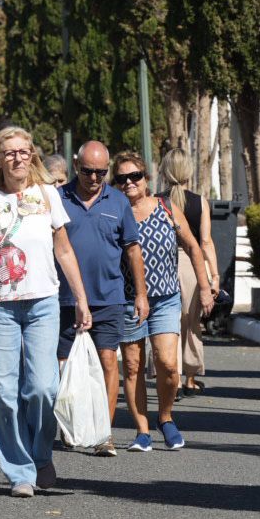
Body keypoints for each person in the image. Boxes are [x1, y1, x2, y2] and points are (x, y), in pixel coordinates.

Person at [0, 128, 92, 497]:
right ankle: (20, 470)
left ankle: (41, 454)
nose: (17, 158)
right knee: (4, 392)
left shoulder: (48, 195)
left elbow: (64, 251)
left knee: (41, 387)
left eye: (23, 151)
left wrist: (81, 299)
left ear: (32, 156)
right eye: (9, 152)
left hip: (42, 304)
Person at [112, 151, 214, 452]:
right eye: (121, 179)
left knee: (168, 365)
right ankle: (142, 430)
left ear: (147, 179)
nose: (129, 183)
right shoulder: (116, 212)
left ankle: (165, 417)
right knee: (132, 366)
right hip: (129, 301)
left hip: (167, 298)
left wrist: (206, 287)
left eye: (135, 176)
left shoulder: (166, 208)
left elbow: (194, 248)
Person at [57, 142, 149, 457]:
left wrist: (140, 293)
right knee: (64, 366)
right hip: (65, 298)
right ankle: (69, 426)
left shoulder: (118, 201)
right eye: (88, 171)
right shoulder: (59, 200)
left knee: (109, 361)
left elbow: (132, 249)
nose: (94, 177)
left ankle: (103, 434)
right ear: (75, 166)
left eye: (101, 172)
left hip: (109, 296)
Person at [157, 147, 220, 396]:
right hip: (191, 265)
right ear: (187, 171)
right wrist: (214, 276)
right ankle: (190, 378)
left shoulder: (157, 200)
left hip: (162, 262)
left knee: (167, 322)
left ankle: (170, 376)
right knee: (192, 322)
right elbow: (205, 242)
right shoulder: (199, 202)